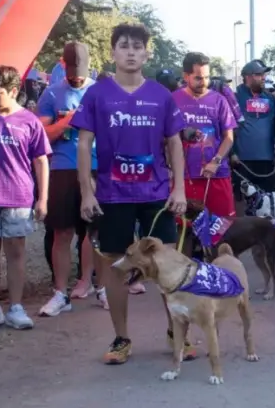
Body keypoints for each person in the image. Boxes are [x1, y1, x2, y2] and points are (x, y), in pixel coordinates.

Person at [71, 23, 189, 364]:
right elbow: (83, 143)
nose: (131, 51)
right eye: (124, 46)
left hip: (156, 195)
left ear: (146, 53)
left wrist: (178, 187)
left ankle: (177, 333)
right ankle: (121, 339)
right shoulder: (97, 94)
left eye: (137, 46)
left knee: (167, 266)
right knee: (116, 269)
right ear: (113, 52)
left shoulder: (161, 96)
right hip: (112, 194)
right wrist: (86, 193)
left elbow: (174, 143)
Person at [0, 65, 51, 330]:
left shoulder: (29, 121)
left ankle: (16, 308)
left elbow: (41, 161)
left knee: (16, 252)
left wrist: (42, 198)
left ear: (12, 90)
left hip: (18, 197)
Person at [37, 42, 99, 317]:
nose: (77, 76)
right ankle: (60, 293)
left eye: (81, 71)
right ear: (63, 64)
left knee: (94, 231)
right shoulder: (52, 92)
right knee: (62, 231)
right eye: (72, 70)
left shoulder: (100, 92)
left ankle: (90, 282)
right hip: (63, 168)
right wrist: (67, 123)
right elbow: (40, 136)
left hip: (97, 167)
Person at [173, 52, 237, 217]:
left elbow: (228, 137)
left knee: (223, 228)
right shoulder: (173, 100)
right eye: (199, 78)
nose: (204, 83)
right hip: (185, 177)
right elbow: (164, 137)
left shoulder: (219, 100)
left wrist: (216, 161)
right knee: (186, 230)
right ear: (186, 76)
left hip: (216, 174)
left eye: (207, 77)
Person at [231, 60, 275, 198]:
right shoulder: (234, 98)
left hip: (267, 161)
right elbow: (226, 128)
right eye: (259, 74)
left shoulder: (270, 98)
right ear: (248, 77)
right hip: (242, 161)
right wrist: (231, 153)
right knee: (242, 202)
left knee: (267, 201)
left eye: (264, 74)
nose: (264, 77)